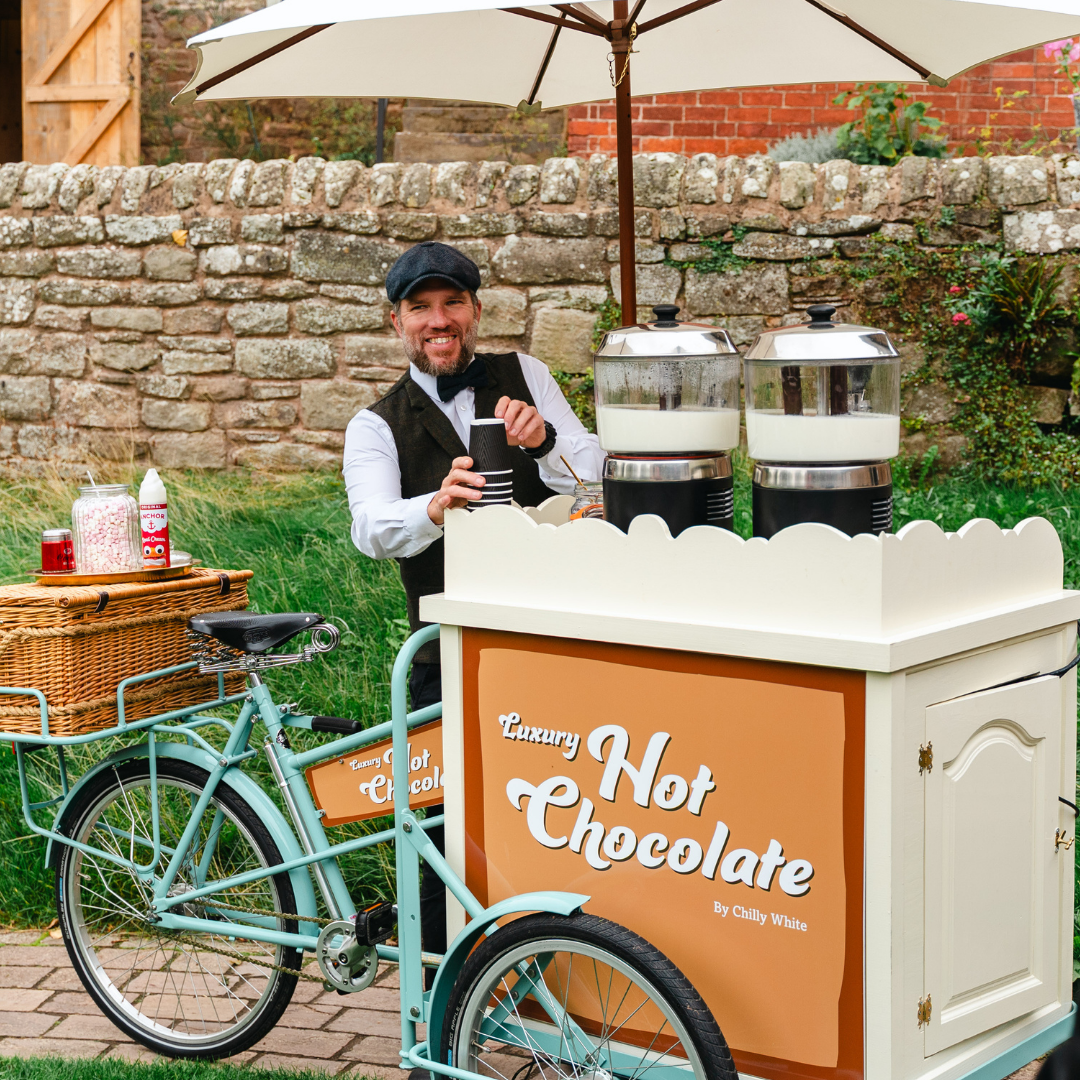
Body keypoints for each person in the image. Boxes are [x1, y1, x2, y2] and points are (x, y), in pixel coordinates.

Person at [342, 241, 604, 966]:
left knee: (560, 806)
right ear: (395, 321)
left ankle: (560, 971)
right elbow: (370, 528)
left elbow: (598, 478)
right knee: (444, 825)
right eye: (420, 308)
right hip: (446, 653)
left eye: (452, 303)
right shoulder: (375, 424)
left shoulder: (527, 376)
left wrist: (546, 438)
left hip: (550, 638)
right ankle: (436, 1006)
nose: (439, 320)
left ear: (476, 312)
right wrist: (432, 506)